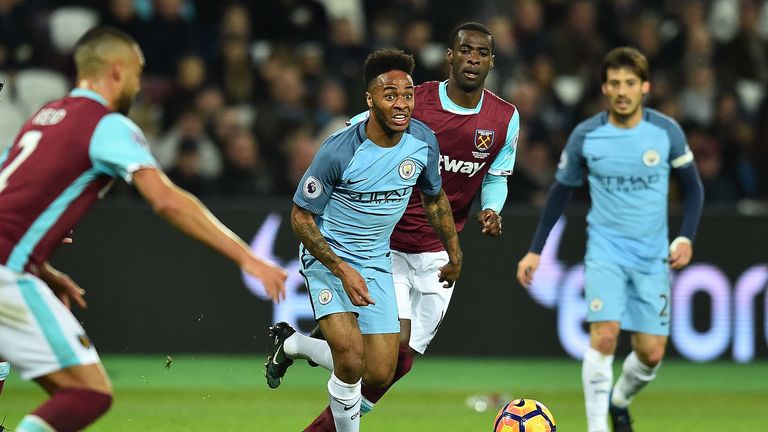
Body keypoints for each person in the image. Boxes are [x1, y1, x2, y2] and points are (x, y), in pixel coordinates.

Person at [0, 27, 287, 432]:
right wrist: (246, 256)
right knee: (88, 394)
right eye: (137, 73)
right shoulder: (105, 125)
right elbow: (166, 199)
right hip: (5, 275)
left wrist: (46, 271)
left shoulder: (43, 118)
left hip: (15, 266)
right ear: (117, 71)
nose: (138, 84)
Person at [267, 22, 519, 431]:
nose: (401, 103)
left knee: (387, 368)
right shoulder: (367, 131)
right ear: (449, 55)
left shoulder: (486, 122)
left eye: (483, 52)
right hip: (379, 247)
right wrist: (341, 265)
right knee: (353, 359)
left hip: (419, 251)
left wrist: (471, 232)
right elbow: (303, 213)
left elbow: (460, 189)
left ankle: (296, 343)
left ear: (492, 60)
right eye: (465, 50)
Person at [516, 47, 704, 432]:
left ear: (644, 87)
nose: (622, 91)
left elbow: (694, 190)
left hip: (653, 256)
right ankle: (597, 428)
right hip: (605, 250)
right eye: (615, 83)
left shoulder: (666, 132)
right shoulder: (587, 135)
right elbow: (559, 193)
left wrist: (685, 238)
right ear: (604, 87)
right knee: (604, 337)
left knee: (650, 353)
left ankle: (619, 402)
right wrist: (535, 250)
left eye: (630, 83)